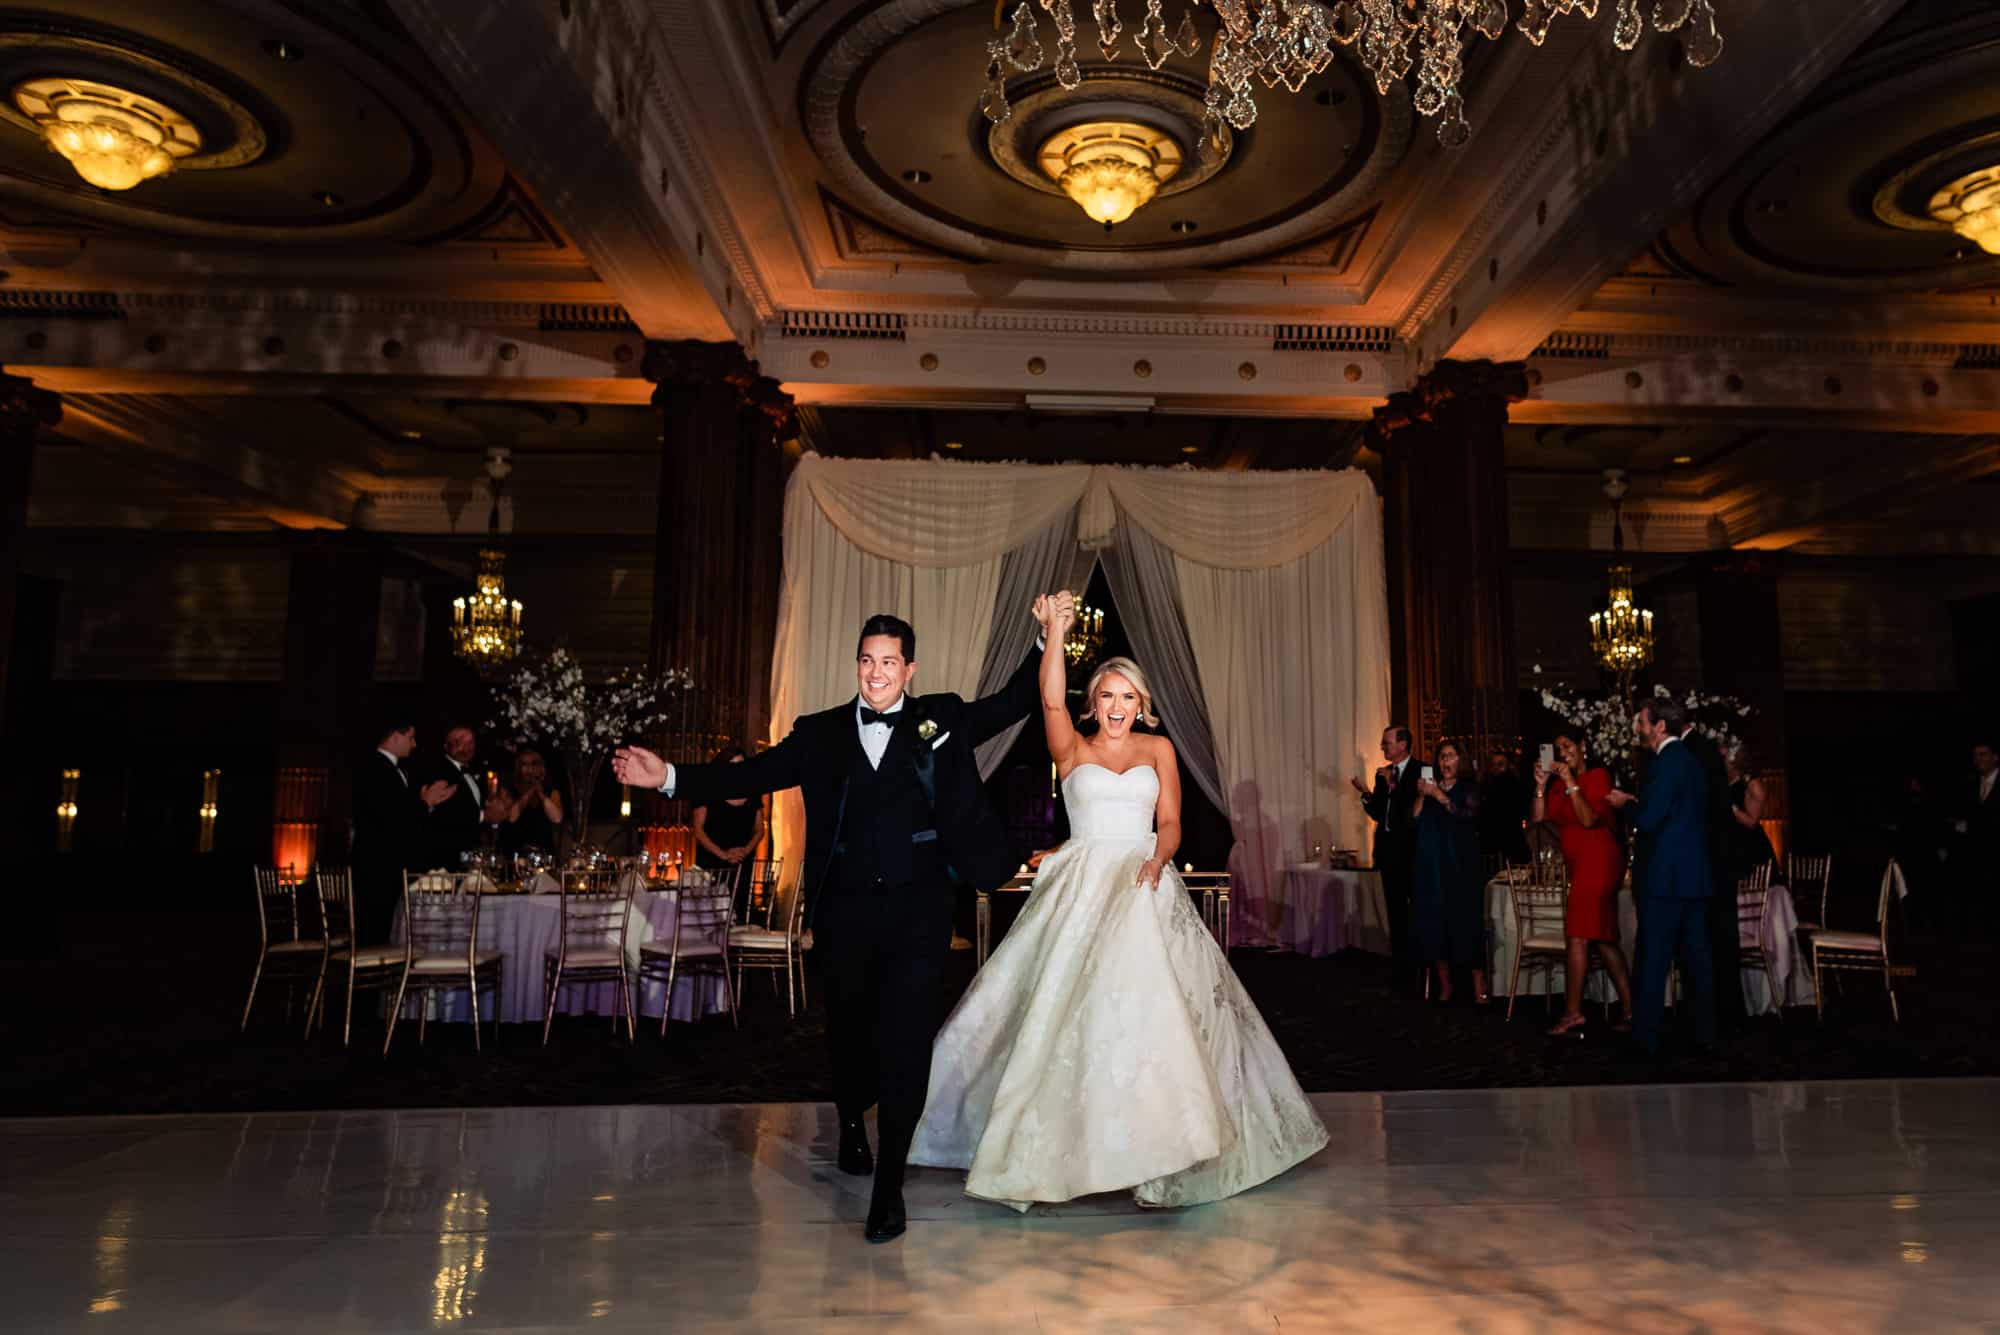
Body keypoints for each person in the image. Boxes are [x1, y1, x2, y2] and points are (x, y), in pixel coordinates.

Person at [613, 604, 1052, 1244]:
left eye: (889, 662)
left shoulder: (942, 717)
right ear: (858, 665)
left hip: (920, 910)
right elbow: (753, 776)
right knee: (849, 1032)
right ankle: (850, 1119)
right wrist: (671, 776)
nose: (877, 673)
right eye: (868, 661)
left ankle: (889, 1187)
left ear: (910, 669)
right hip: (844, 911)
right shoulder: (819, 734)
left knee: (906, 1040)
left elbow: (1016, 700)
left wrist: (1047, 636)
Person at [910, 600, 1328, 1210]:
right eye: (1106, 696)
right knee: (1064, 1012)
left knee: (1153, 1015)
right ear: (1094, 702)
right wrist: (1053, 632)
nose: (1115, 707)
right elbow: (1049, 701)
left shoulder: (1159, 751)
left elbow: (1173, 821)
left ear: (1141, 705)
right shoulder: (1072, 750)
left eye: (1126, 697)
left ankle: (1161, 1145)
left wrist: (1158, 860)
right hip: (1081, 883)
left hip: (1142, 882)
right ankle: (1063, 1144)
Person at [1607, 697, 1715, 1057]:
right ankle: (1704, 1034)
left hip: (1665, 880)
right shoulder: (1692, 763)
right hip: (1694, 878)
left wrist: (1626, 805)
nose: (1638, 729)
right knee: (1697, 960)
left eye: (1641, 722)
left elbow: (1650, 819)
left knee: (1653, 959)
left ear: (1659, 727)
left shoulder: (1665, 762)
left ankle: (1646, 1038)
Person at [1532, 731, 1633, 1037]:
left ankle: (1573, 1013)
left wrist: (1572, 782)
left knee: (1577, 935)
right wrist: (1539, 788)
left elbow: (1588, 819)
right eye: (1559, 749)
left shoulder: (1599, 777)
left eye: (1568, 746)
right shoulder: (1557, 786)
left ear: (1583, 748)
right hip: (1580, 866)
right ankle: (1632, 1008)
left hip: (1600, 862)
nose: (1563, 753)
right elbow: (1540, 822)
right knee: (1603, 939)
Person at [351, 719, 454, 943]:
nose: (414, 744)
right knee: (374, 932)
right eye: (411, 737)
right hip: (376, 865)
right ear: (395, 737)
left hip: (389, 864)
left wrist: (427, 804)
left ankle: (385, 974)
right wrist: (424, 803)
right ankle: (372, 976)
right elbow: (388, 815)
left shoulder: (395, 769)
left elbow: (400, 813)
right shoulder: (374, 767)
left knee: (385, 930)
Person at [1410, 740, 1488, 1005]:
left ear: (1460, 760)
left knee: (1467, 924)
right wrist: (1423, 794)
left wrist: (1440, 797)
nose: (1445, 762)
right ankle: (1446, 986)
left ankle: (1479, 987)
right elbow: (1415, 819)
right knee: (1437, 925)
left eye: (1451, 756)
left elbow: (1468, 815)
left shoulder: (1470, 788)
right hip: (1434, 867)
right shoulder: (1431, 789)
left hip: (1461, 866)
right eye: (1442, 757)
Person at [1352, 725, 1420, 984]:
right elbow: (1380, 813)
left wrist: (1393, 785)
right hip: (1389, 854)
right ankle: (1401, 967)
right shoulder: (1383, 774)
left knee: (1418, 909)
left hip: (1413, 854)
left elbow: (1413, 812)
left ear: (1402, 745)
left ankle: (1422, 963)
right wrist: (1367, 795)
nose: (1382, 747)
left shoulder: (1420, 771)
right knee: (1395, 912)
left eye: (1387, 743)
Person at [419, 724, 487, 868]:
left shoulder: (472, 773)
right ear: (445, 745)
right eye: (459, 741)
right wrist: (483, 816)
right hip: (444, 859)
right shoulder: (436, 770)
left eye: (471, 742)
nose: (466, 746)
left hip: (469, 857)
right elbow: (442, 813)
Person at [497, 748, 564, 855]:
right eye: (525, 764)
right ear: (519, 768)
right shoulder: (509, 789)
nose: (529, 769)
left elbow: (557, 818)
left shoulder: (551, 791)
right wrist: (530, 792)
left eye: (534, 764)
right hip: (515, 851)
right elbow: (511, 818)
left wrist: (541, 793)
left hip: (543, 852)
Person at [1479, 747, 1531, 867]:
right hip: (1492, 847)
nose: (1496, 768)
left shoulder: (1514, 785)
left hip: (1510, 844)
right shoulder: (1485, 786)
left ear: (1509, 765)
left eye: (1500, 764)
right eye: (1493, 764)